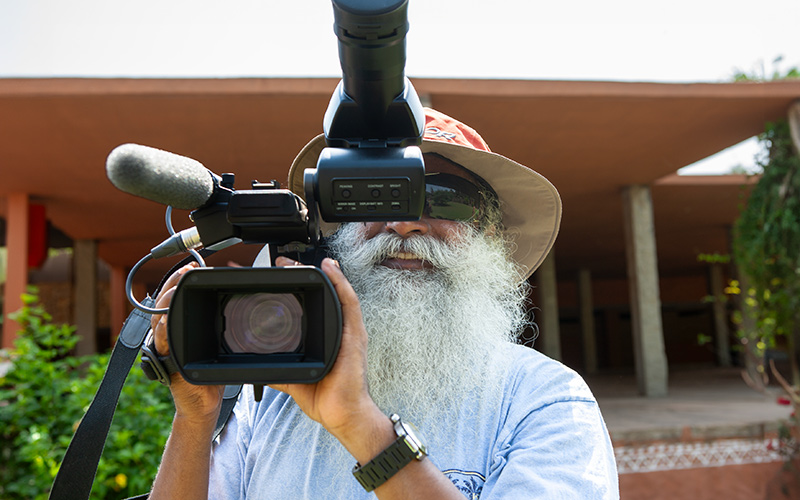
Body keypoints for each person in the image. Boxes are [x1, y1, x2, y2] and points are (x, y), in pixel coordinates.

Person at [148, 108, 619, 499]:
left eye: (443, 199)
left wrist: (359, 423)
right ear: (339, 231)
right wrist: (195, 417)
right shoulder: (267, 391)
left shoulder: (543, 398)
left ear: (490, 236)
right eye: (375, 198)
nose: (406, 223)